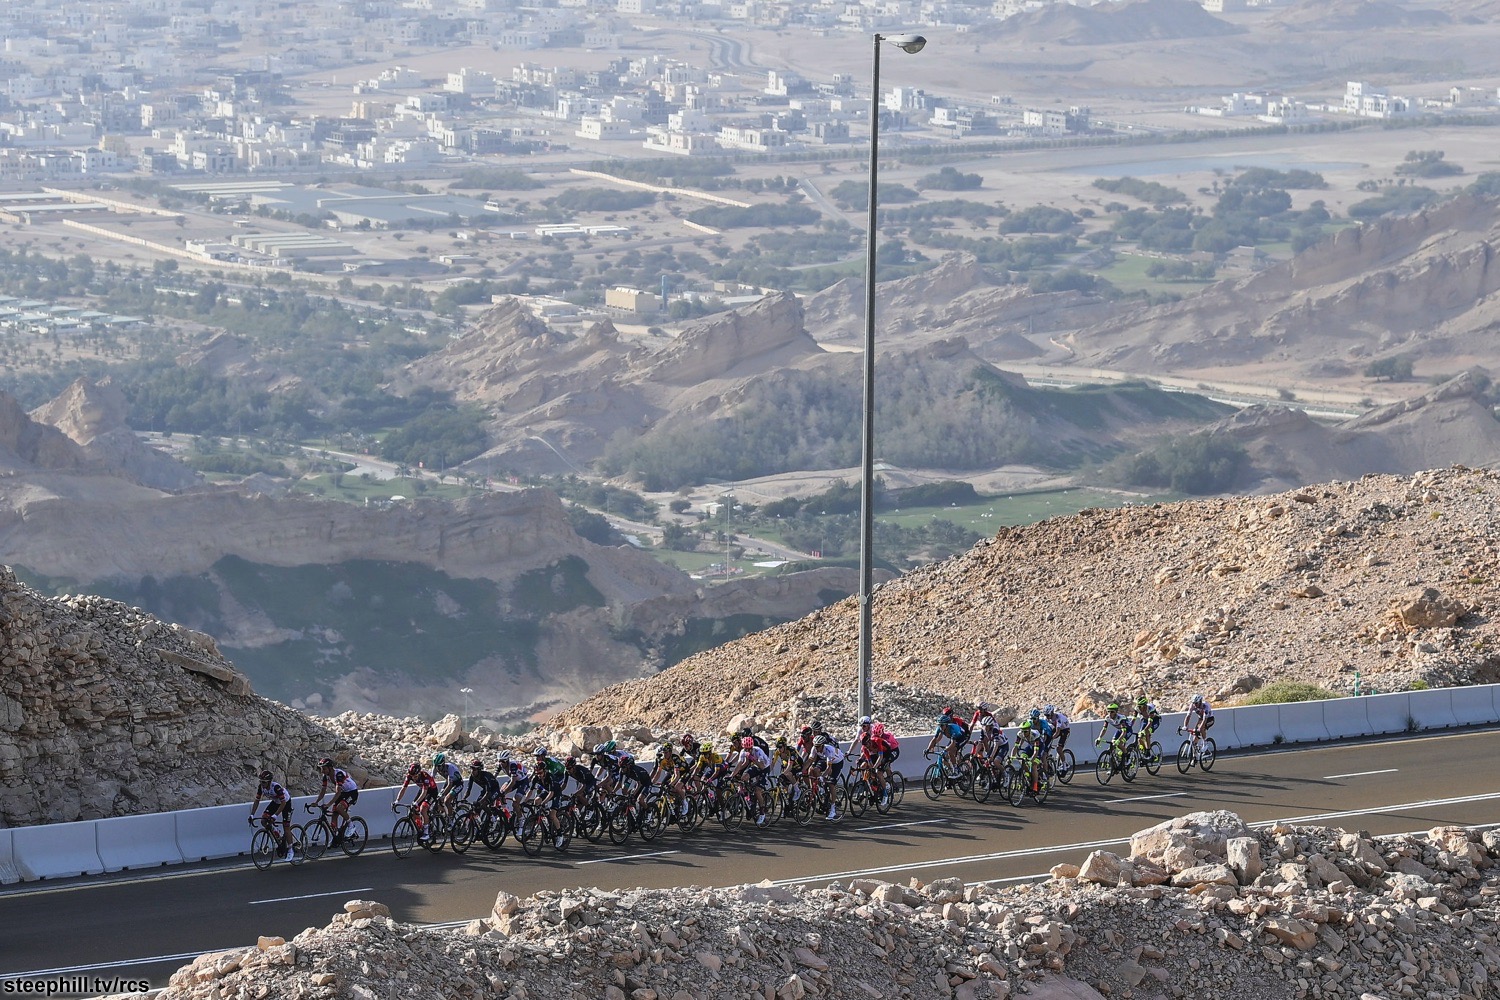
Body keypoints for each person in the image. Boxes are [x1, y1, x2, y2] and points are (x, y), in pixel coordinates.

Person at [250, 769, 297, 860]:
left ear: (269, 782)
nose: (262, 784)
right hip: (276, 802)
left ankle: (290, 850)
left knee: (286, 826)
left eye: (264, 782)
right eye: (261, 781)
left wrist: (275, 815)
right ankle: (277, 833)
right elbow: (257, 801)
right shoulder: (261, 787)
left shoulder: (276, 787)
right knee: (264, 820)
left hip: (285, 803)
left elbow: (283, 803)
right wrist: (252, 815)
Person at [311, 757, 359, 844]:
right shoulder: (325, 776)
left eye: (324, 769)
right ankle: (335, 836)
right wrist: (316, 802)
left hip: (352, 792)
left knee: (339, 808)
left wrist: (328, 804)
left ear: (330, 768)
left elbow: (338, 792)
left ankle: (351, 826)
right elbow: (323, 791)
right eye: (321, 769)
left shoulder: (338, 774)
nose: (322, 771)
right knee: (334, 814)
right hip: (344, 793)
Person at [392, 760, 440, 843]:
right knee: (413, 809)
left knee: (423, 808)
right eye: (412, 776)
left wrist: (417, 802)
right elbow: (403, 788)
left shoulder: (425, 776)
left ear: (419, 773)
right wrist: (397, 801)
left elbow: (424, 792)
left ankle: (426, 833)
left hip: (432, 791)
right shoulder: (409, 776)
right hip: (422, 789)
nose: (413, 778)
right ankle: (421, 828)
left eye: (415, 776)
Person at [730, 735, 773, 826]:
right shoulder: (743, 751)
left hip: (765, 767)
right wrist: (732, 775)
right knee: (743, 778)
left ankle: (762, 813)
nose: (748, 751)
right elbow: (741, 764)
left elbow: (762, 766)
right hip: (756, 766)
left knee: (757, 790)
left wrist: (753, 758)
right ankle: (749, 798)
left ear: (752, 747)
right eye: (746, 749)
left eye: (749, 749)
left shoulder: (758, 751)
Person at [807, 734, 845, 820]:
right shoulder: (814, 748)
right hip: (826, 760)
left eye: (818, 746)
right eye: (815, 746)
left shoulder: (829, 750)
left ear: (823, 745)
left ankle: (833, 809)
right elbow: (809, 761)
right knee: (814, 770)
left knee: (831, 784)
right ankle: (822, 789)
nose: (816, 748)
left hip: (837, 763)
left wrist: (822, 777)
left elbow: (829, 768)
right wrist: (802, 771)